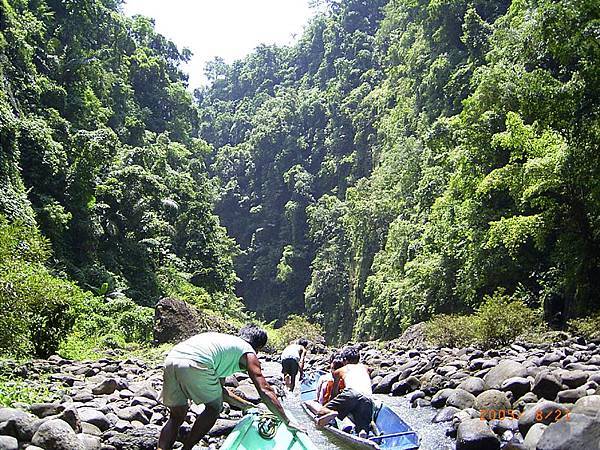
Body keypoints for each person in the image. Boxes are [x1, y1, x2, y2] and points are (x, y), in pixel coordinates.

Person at [158, 324, 303, 450]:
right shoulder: (248, 352)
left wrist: (247, 406)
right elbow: (264, 389)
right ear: (257, 347)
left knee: (176, 416)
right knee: (214, 408)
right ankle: (187, 448)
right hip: (197, 363)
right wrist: (287, 421)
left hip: (172, 359)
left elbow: (221, 392)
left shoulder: (225, 346)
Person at [306, 346, 373, 438]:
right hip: (368, 396)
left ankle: (331, 413)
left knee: (321, 411)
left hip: (351, 392)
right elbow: (368, 374)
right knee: (363, 423)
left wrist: (331, 406)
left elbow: (334, 392)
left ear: (344, 360)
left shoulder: (340, 370)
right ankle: (362, 431)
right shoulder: (366, 368)